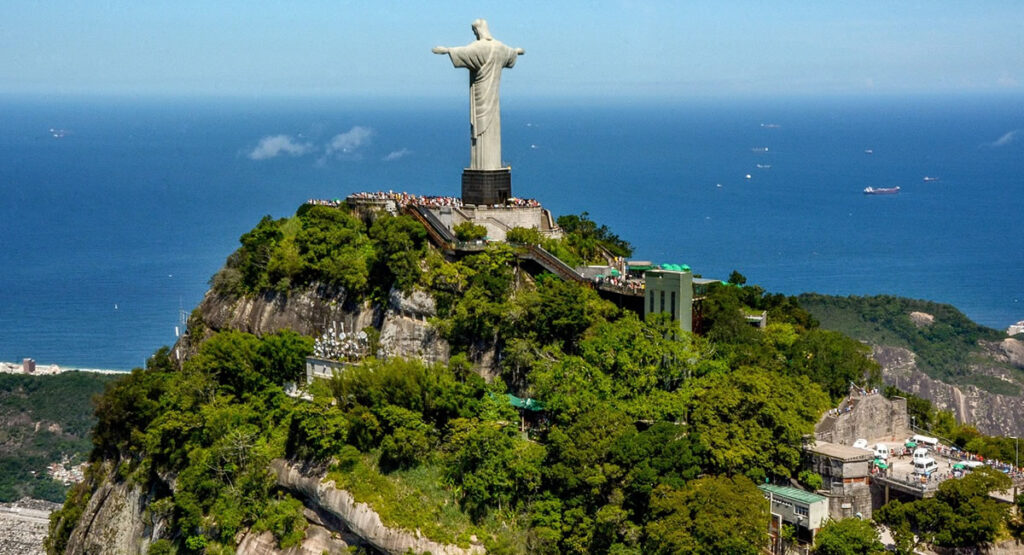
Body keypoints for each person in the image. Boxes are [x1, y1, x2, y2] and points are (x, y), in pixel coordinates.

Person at [433, 19, 524, 170]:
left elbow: (464, 52)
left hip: (480, 95)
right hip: (493, 100)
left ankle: (483, 166)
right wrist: (517, 51)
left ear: (478, 30)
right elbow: (511, 53)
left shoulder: (479, 47)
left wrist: (447, 50)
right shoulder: (500, 47)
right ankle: (491, 165)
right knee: (490, 130)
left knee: (481, 133)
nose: (474, 34)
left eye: (474, 32)